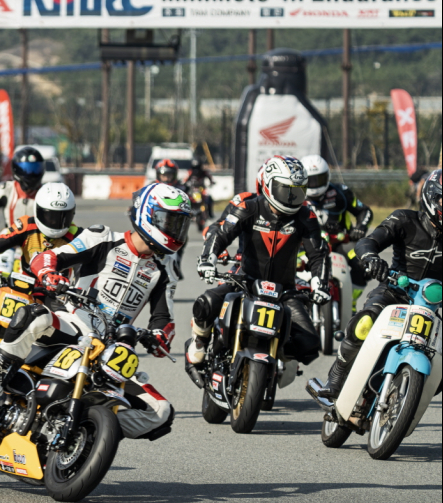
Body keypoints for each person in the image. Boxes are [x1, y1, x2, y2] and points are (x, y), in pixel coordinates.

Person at [0, 183, 192, 441]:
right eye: (170, 221)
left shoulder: (164, 269)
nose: (175, 230)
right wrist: (49, 274)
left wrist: (160, 336)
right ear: (147, 215)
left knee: (161, 412)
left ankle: (90, 428)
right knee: (33, 315)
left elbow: (163, 318)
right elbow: (47, 258)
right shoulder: (103, 237)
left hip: (109, 348)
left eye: (180, 224)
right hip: (72, 324)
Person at [185, 156, 329, 387]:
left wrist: (320, 284)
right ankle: (200, 342)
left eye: (296, 192)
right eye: (285, 191)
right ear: (269, 185)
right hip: (244, 280)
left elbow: (318, 255)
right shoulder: (248, 206)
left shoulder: (306, 216)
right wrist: (207, 260)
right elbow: (221, 233)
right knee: (206, 302)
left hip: (284, 289)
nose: (291, 198)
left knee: (309, 344)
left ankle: (279, 355)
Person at [318, 169, 442, 399]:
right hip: (395, 291)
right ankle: (336, 376)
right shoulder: (404, 219)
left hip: (433, 305)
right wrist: (371, 259)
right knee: (364, 323)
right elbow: (368, 242)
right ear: (431, 197)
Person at [0, 182, 81, 376]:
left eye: (62, 216)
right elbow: (1, 240)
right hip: (23, 286)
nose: (55, 222)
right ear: (38, 211)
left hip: (55, 296)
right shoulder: (28, 224)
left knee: (74, 332)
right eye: (50, 215)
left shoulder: (79, 236)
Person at [301, 155, 373, 311]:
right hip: (305, 245)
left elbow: (364, 211)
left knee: (364, 263)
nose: (314, 184)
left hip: (340, 242)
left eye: (319, 179)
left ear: (327, 176)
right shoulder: (295, 196)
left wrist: (360, 228)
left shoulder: (341, 192)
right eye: (310, 180)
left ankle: (351, 302)